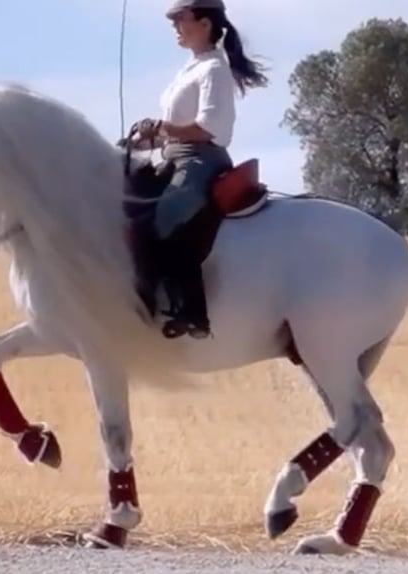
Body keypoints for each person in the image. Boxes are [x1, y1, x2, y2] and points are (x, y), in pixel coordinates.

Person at [134, 0, 269, 340]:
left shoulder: (214, 70)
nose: (175, 25)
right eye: (173, 19)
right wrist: (142, 141)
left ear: (206, 24)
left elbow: (209, 127)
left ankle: (192, 312)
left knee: (167, 214)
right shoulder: (188, 69)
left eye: (181, 18)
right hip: (171, 155)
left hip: (201, 158)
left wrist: (162, 127)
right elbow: (173, 129)